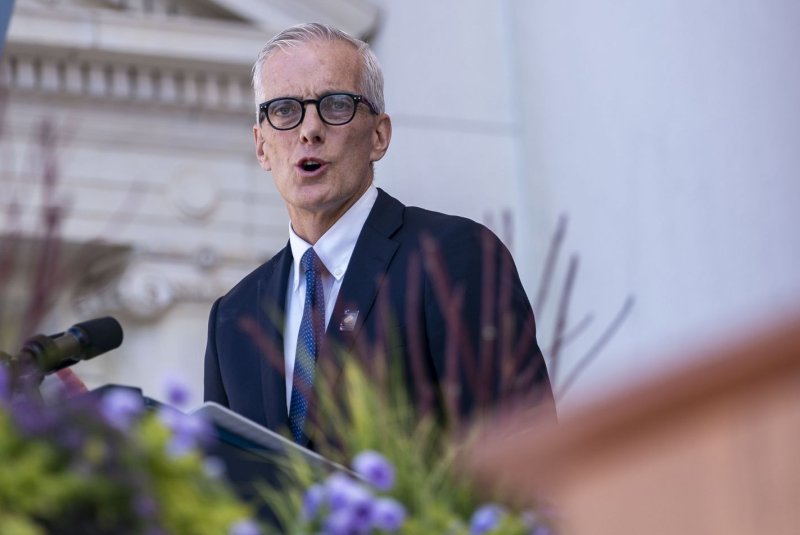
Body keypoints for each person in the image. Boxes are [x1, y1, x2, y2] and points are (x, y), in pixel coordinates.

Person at [204, 23, 554, 446]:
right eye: (284, 110)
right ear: (261, 146)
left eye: (335, 106)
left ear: (379, 135)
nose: (309, 130)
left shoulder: (452, 257)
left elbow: (523, 454)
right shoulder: (233, 317)